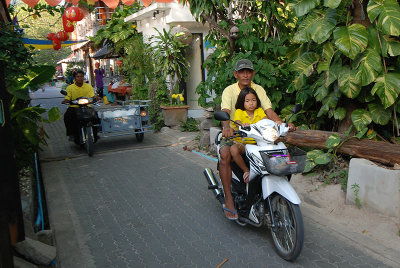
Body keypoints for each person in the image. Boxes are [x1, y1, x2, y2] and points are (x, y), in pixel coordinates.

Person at [219, 59, 295, 220]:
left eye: (248, 71)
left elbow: (268, 111)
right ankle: (229, 198)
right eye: (242, 72)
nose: (245, 75)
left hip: (259, 134)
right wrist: (227, 127)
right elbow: (225, 110)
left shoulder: (258, 89)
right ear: (236, 74)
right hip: (235, 133)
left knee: (278, 152)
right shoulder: (229, 90)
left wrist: (281, 124)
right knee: (225, 153)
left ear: (253, 73)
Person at [231, 87, 268, 184]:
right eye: (247, 101)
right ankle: (246, 170)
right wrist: (242, 126)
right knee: (234, 150)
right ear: (242, 102)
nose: (251, 103)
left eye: (253, 100)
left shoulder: (259, 111)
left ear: (257, 101)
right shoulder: (239, 111)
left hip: (258, 143)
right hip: (244, 143)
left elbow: (265, 119)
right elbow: (237, 121)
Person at [62, 70, 100, 143]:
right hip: (74, 107)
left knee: (95, 115)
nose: (80, 78)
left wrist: (96, 97)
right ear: (74, 78)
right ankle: (71, 134)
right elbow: (68, 96)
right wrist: (66, 100)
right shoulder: (70, 88)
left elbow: (92, 95)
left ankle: (95, 132)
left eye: (81, 76)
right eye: (78, 77)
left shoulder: (88, 86)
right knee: (67, 116)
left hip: (86, 106)